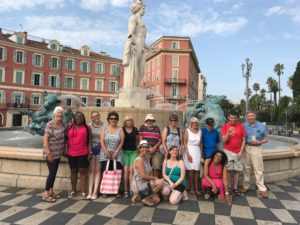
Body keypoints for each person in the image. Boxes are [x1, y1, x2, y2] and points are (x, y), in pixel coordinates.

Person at [123, 0, 153, 90]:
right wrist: (129, 44)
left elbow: (142, 39)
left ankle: (134, 87)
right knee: (133, 69)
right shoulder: (133, 18)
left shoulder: (140, 20)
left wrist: (149, 47)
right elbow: (130, 33)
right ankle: (130, 88)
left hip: (141, 47)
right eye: (143, 8)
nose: (145, 11)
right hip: (135, 46)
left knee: (141, 70)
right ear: (139, 8)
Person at [242, 111, 269, 198]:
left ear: (255, 116)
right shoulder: (244, 125)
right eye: (248, 116)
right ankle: (246, 186)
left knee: (258, 169)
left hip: (256, 148)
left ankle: (262, 189)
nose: (250, 117)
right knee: (246, 168)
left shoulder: (262, 126)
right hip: (246, 148)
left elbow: (266, 139)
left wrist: (259, 141)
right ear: (247, 117)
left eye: (252, 116)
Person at [66, 111, 91, 200]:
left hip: (83, 152)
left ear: (83, 118)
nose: (79, 118)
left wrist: (90, 152)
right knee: (73, 171)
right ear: (74, 118)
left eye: (81, 117)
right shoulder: (69, 127)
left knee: (83, 171)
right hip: (71, 152)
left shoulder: (87, 128)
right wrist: (64, 150)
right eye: (77, 116)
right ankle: (73, 190)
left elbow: (89, 141)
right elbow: (65, 139)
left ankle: (83, 191)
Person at [42, 106, 65, 202]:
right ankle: (46, 193)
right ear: (54, 114)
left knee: (54, 173)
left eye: (61, 113)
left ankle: (51, 191)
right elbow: (45, 139)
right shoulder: (50, 124)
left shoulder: (62, 125)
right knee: (52, 173)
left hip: (58, 153)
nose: (59, 114)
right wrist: (48, 153)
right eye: (58, 113)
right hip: (50, 153)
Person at [221, 111, 246, 196]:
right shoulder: (224, 126)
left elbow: (244, 140)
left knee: (237, 171)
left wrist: (241, 152)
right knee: (228, 170)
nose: (233, 119)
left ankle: (235, 187)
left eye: (235, 118)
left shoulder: (240, 126)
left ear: (237, 118)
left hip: (238, 151)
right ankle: (229, 187)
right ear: (228, 117)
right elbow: (224, 141)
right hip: (228, 151)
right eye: (231, 118)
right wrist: (229, 132)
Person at [100, 111, 124, 196]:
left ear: (117, 120)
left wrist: (116, 152)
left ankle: (116, 191)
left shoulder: (120, 129)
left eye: (115, 119)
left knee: (116, 172)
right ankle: (106, 191)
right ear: (108, 120)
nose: (113, 120)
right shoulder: (104, 129)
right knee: (106, 172)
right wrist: (106, 152)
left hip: (117, 154)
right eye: (111, 118)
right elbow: (102, 141)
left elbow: (121, 142)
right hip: (105, 154)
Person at [131, 140, 163, 206]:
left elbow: (149, 172)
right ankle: (143, 198)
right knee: (160, 182)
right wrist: (154, 178)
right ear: (139, 149)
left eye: (146, 147)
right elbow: (143, 175)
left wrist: (151, 180)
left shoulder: (147, 158)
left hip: (146, 182)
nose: (145, 149)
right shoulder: (139, 160)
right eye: (143, 147)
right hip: (139, 185)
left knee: (157, 200)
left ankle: (139, 197)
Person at [87, 111, 104, 200]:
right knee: (91, 171)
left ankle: (95, 192)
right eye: (93, 116)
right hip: (91, 148)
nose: (95, 117)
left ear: (99, 115)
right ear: (91, 118)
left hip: (100, 148)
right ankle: (89, 191)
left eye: (97, 115)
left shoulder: (104, 125)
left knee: (98, 170)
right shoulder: (89, 126)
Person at [183, 117, 202, 195]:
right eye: (193, 122)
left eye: (196, 123)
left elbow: (200, 143)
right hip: (189, 150)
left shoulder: (200, 131)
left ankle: (196, 188)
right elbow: (185, 143)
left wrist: (201, 154)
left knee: (197, 170)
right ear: (191, 123)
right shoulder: (187, 131)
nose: (195, 124)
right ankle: (191, 188)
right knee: (191, 170)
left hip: (197, 151)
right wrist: (188, 154)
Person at [139, 114, 162, 178]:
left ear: (153, 121)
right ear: (145, 121)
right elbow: (140, 140)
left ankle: (155, 182)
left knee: (156, 167)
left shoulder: (157, 128)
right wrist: (148, 148)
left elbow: (160, 140)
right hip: (145, 150)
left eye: (151, 120)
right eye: (148, 120)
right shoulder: (142, 127)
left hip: (156, 150)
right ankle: (148, 183)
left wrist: (154, 147)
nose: (149, 122)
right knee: (146, 168)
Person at [122, 115, 139, 197]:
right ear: (125, 122)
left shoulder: (135, 129)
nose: (129, 122)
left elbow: (137, 141)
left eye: (130, 120)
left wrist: (138, 149)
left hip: (133, 152)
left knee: (131, 170)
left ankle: (131, 189)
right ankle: (125, 189)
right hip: (124, 152)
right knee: (125, 171)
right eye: (127, 120)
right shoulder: (121, 129)